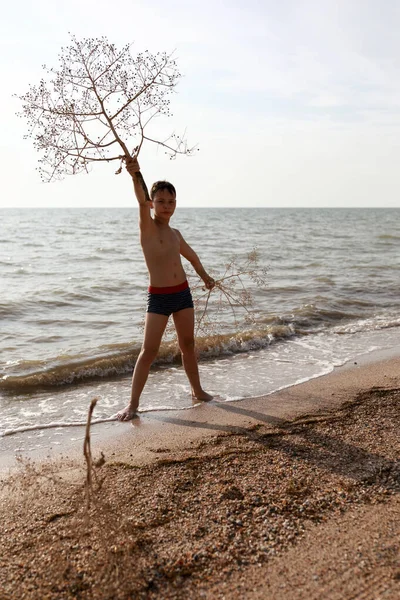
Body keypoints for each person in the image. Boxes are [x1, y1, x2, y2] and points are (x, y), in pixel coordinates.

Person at [117, 156, 215, 421]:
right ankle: (133, 405)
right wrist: (135, 174)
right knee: (148, 351)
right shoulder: (147, 227)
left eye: (171, 201)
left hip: (182, 294)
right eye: (161, 201)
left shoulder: (176, 234)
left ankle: (197, 390)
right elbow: (140, 200)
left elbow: (192, 257)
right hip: (159, 298)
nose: (166, 206)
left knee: (188, 345)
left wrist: (205, 277)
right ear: (152, 203)